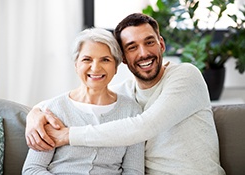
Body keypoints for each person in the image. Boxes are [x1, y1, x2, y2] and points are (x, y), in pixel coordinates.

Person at [25, 13, 226, 174]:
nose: (143, 53)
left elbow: (144, 126)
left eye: (149, 42)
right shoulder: (126, 92)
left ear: (161, 44)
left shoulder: (185, 75)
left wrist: (68, 135)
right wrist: (34, 114)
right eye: (132, 47)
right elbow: (68, 101)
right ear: (122, 58)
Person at [22, 27, 144, 174]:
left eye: (105, 60)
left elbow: (133, 170)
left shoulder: (132, 111)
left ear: (116, 67)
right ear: (76, 65)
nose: (95, 68)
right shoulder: (53, 110)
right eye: (87, 59)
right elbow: (33, 169)